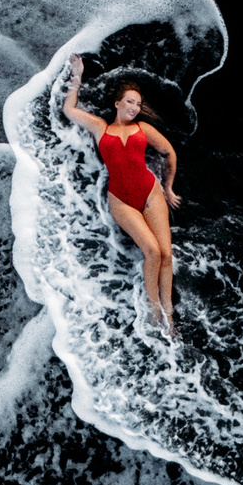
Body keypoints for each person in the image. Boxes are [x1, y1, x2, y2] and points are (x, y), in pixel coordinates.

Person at [64, 55, 181, 337]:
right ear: (117, 104)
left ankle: (170, 313)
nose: (134, 107)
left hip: (151, 193)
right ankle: (154, 310)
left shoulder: (143, 129)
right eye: (129, 101)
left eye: (138, 104)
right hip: (121, 200)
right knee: (152, 252)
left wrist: (168, 187)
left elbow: (168, 153)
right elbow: (69, 109)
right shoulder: (100, 128)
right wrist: (76, 77)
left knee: (166, 255)